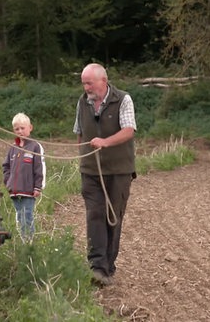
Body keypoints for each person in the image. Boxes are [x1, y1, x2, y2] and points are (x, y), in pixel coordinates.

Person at [73, 63, 136, 286]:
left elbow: (128, 130)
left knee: (113, 217)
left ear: (103, 81)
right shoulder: (82, 102)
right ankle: (97, 267)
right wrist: (82, 156)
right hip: (90, 171)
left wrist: (105, 143)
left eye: (89, 82)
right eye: (83, 83)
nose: (86, 87)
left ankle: (108, 266)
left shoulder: (123, 100)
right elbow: (79, 132)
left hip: (119, 171)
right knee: (94, 215)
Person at [2, 112, 46, 243]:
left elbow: (40, 167)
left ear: (30, 128)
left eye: (22, 128)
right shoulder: (13, 148)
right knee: (19, 216)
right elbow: (6, 166)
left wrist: (38, 186)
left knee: (27, 216)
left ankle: (28, 242)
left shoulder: (35, 146)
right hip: (15, 191)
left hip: (29, 190)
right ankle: (21, 240)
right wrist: (8, 182)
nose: (20, 131)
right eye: (17, 129)